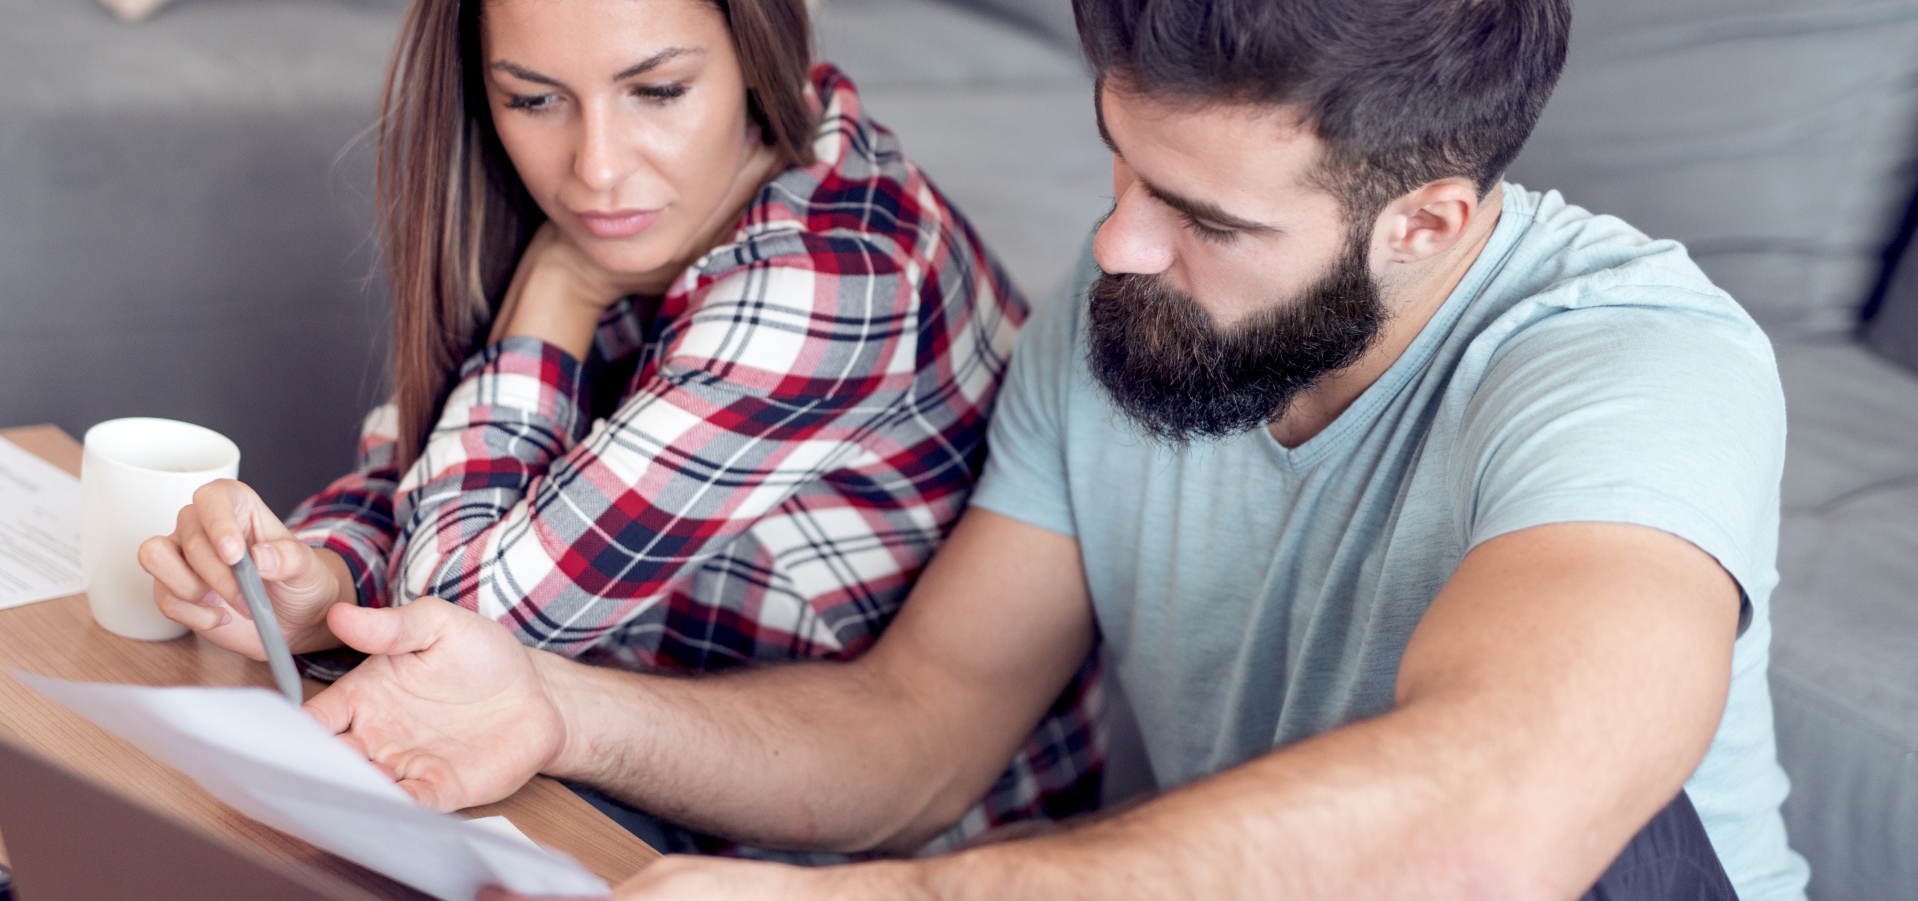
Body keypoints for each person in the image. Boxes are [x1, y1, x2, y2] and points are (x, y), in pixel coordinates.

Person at [271, 0, 1822, 898]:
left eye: (1204, 216)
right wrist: (551, 709)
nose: (1113, 245)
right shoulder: (1129, 302)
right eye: (1120, 167)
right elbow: (920, 727)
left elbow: (1500, 823)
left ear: (1426, 222)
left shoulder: (1635, 369)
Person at [133, 0, 1100, 861]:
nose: (595, 170)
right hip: (624, 735)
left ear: (759, 47)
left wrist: (558, 288)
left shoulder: (834, 278)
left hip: (849, 855)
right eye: (534, 100)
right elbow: (416, 469)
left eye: (660, 89)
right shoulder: (628, 196)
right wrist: (323, 575)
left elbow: (463, 618)